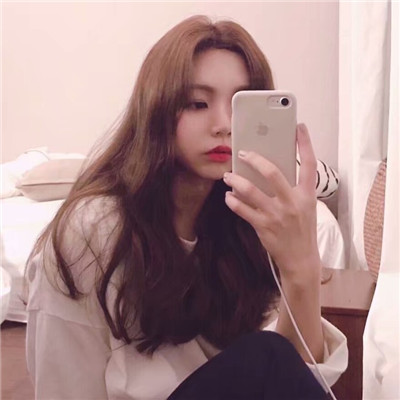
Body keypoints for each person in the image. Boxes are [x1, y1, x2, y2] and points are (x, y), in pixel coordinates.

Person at [25, 15, 348, 399]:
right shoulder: (93, 231)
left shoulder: (241, 221)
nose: (224, 124)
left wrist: (301, 268)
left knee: (272, 356)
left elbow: (294, 378)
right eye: (197, 103)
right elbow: (63, 386)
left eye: (240, 106)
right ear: (155, 109)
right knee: (268, 354)